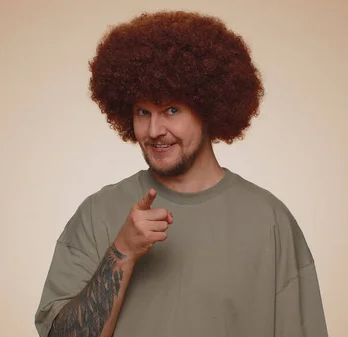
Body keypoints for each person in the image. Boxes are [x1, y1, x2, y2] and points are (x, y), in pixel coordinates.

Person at [35, 10, 328, 337]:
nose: (154, 130)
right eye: (143, 112)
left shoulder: (269, 221)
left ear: (208, 108)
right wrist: (122, 252)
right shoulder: (97, 213)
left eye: (171, 110)